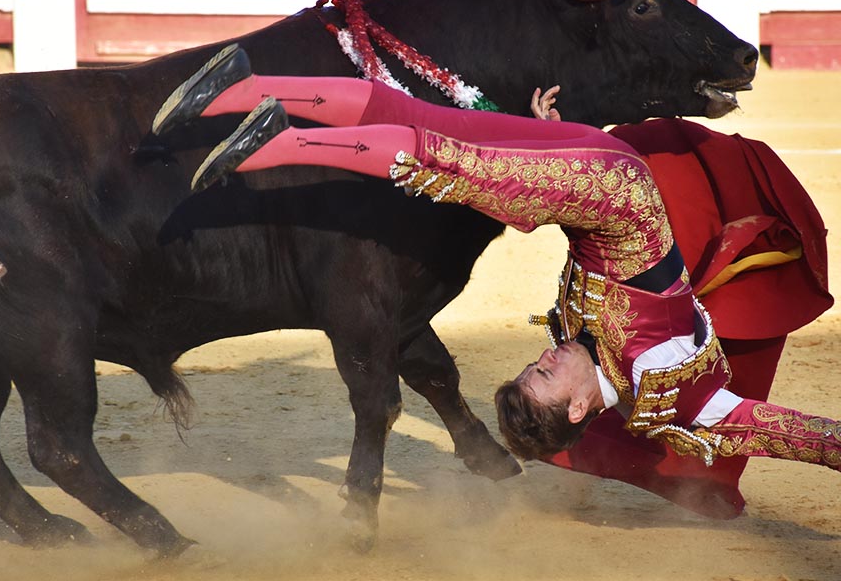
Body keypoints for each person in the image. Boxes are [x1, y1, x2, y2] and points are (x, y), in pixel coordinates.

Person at [152, 44, 839, 494]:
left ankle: (241, 87)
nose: (545, 356)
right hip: (611, 191)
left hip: (585, 177)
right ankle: (271, 145)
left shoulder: (582, 345)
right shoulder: (673, 400)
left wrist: (551, 139)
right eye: (544, 373)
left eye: (533, 366)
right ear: (577, 406)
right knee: (442, 165)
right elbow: (796, 435)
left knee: (417, 120)